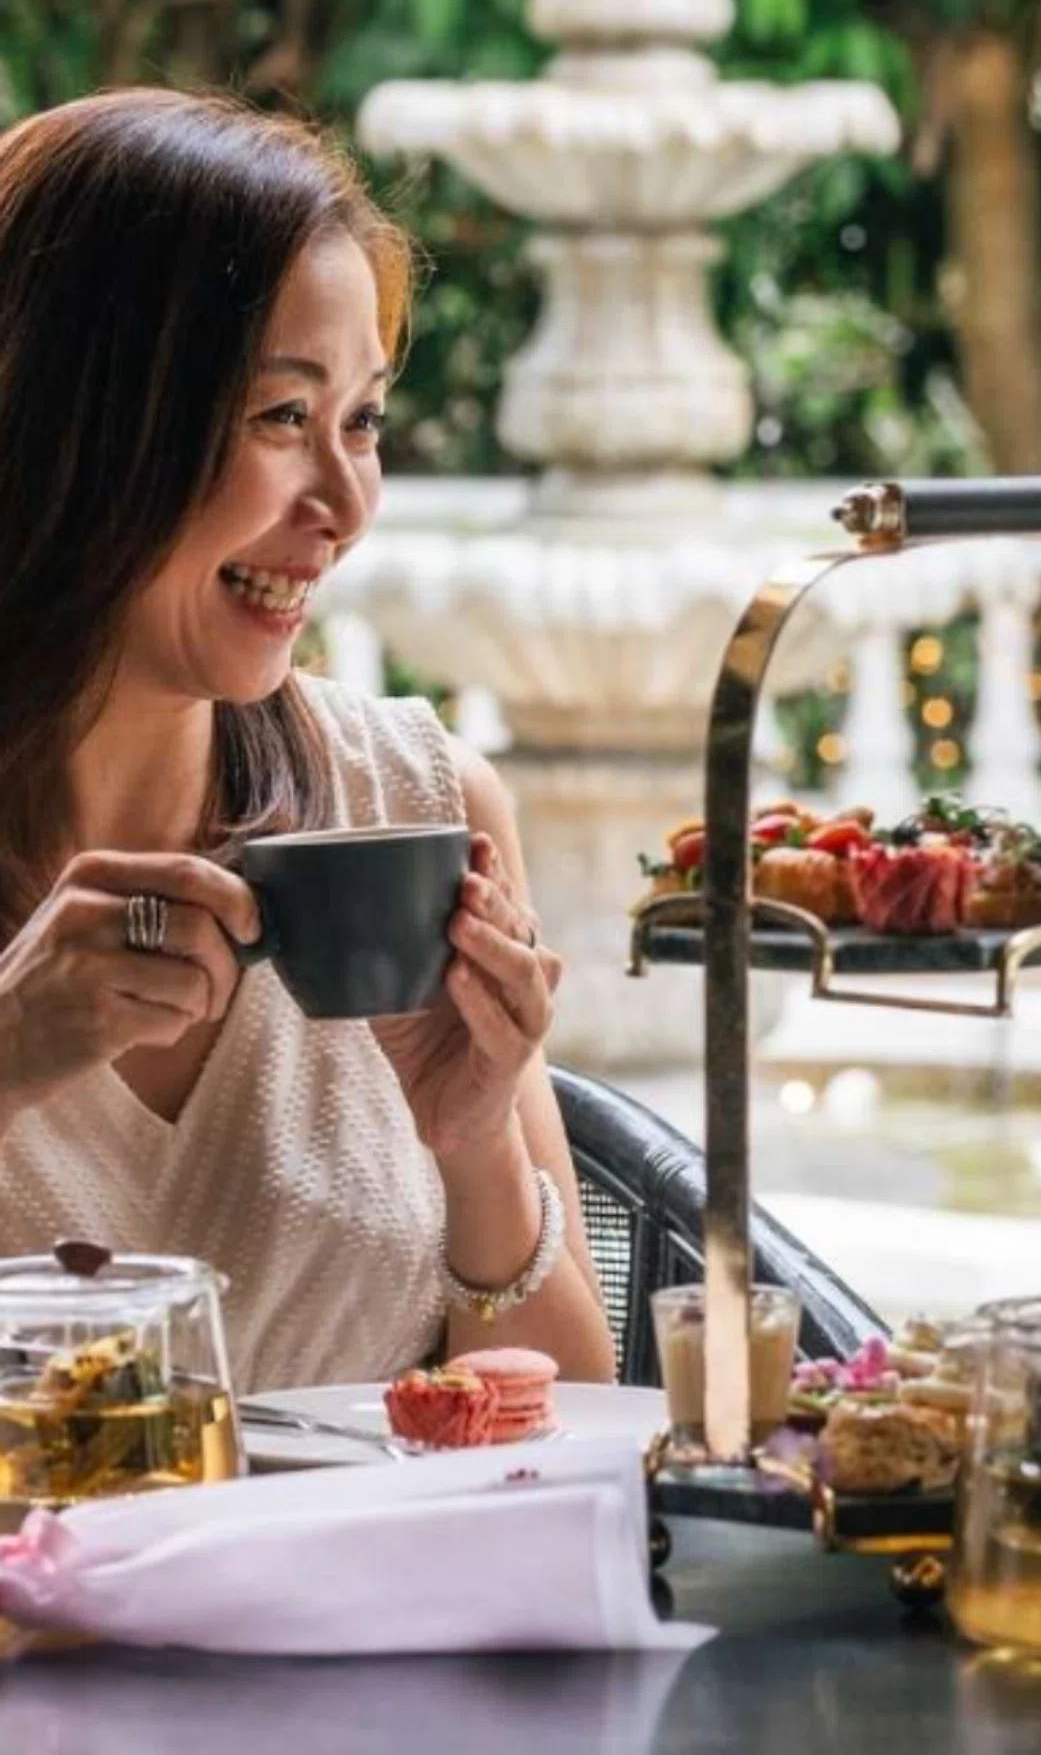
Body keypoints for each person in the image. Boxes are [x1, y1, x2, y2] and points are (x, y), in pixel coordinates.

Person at [0, 90, 615, 1392]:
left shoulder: (416, 805)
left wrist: (477, 1147)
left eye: (364, 422)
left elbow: (573, 1421)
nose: (344, 503)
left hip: (400, 1539)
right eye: (283, 417)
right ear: (78, 425)